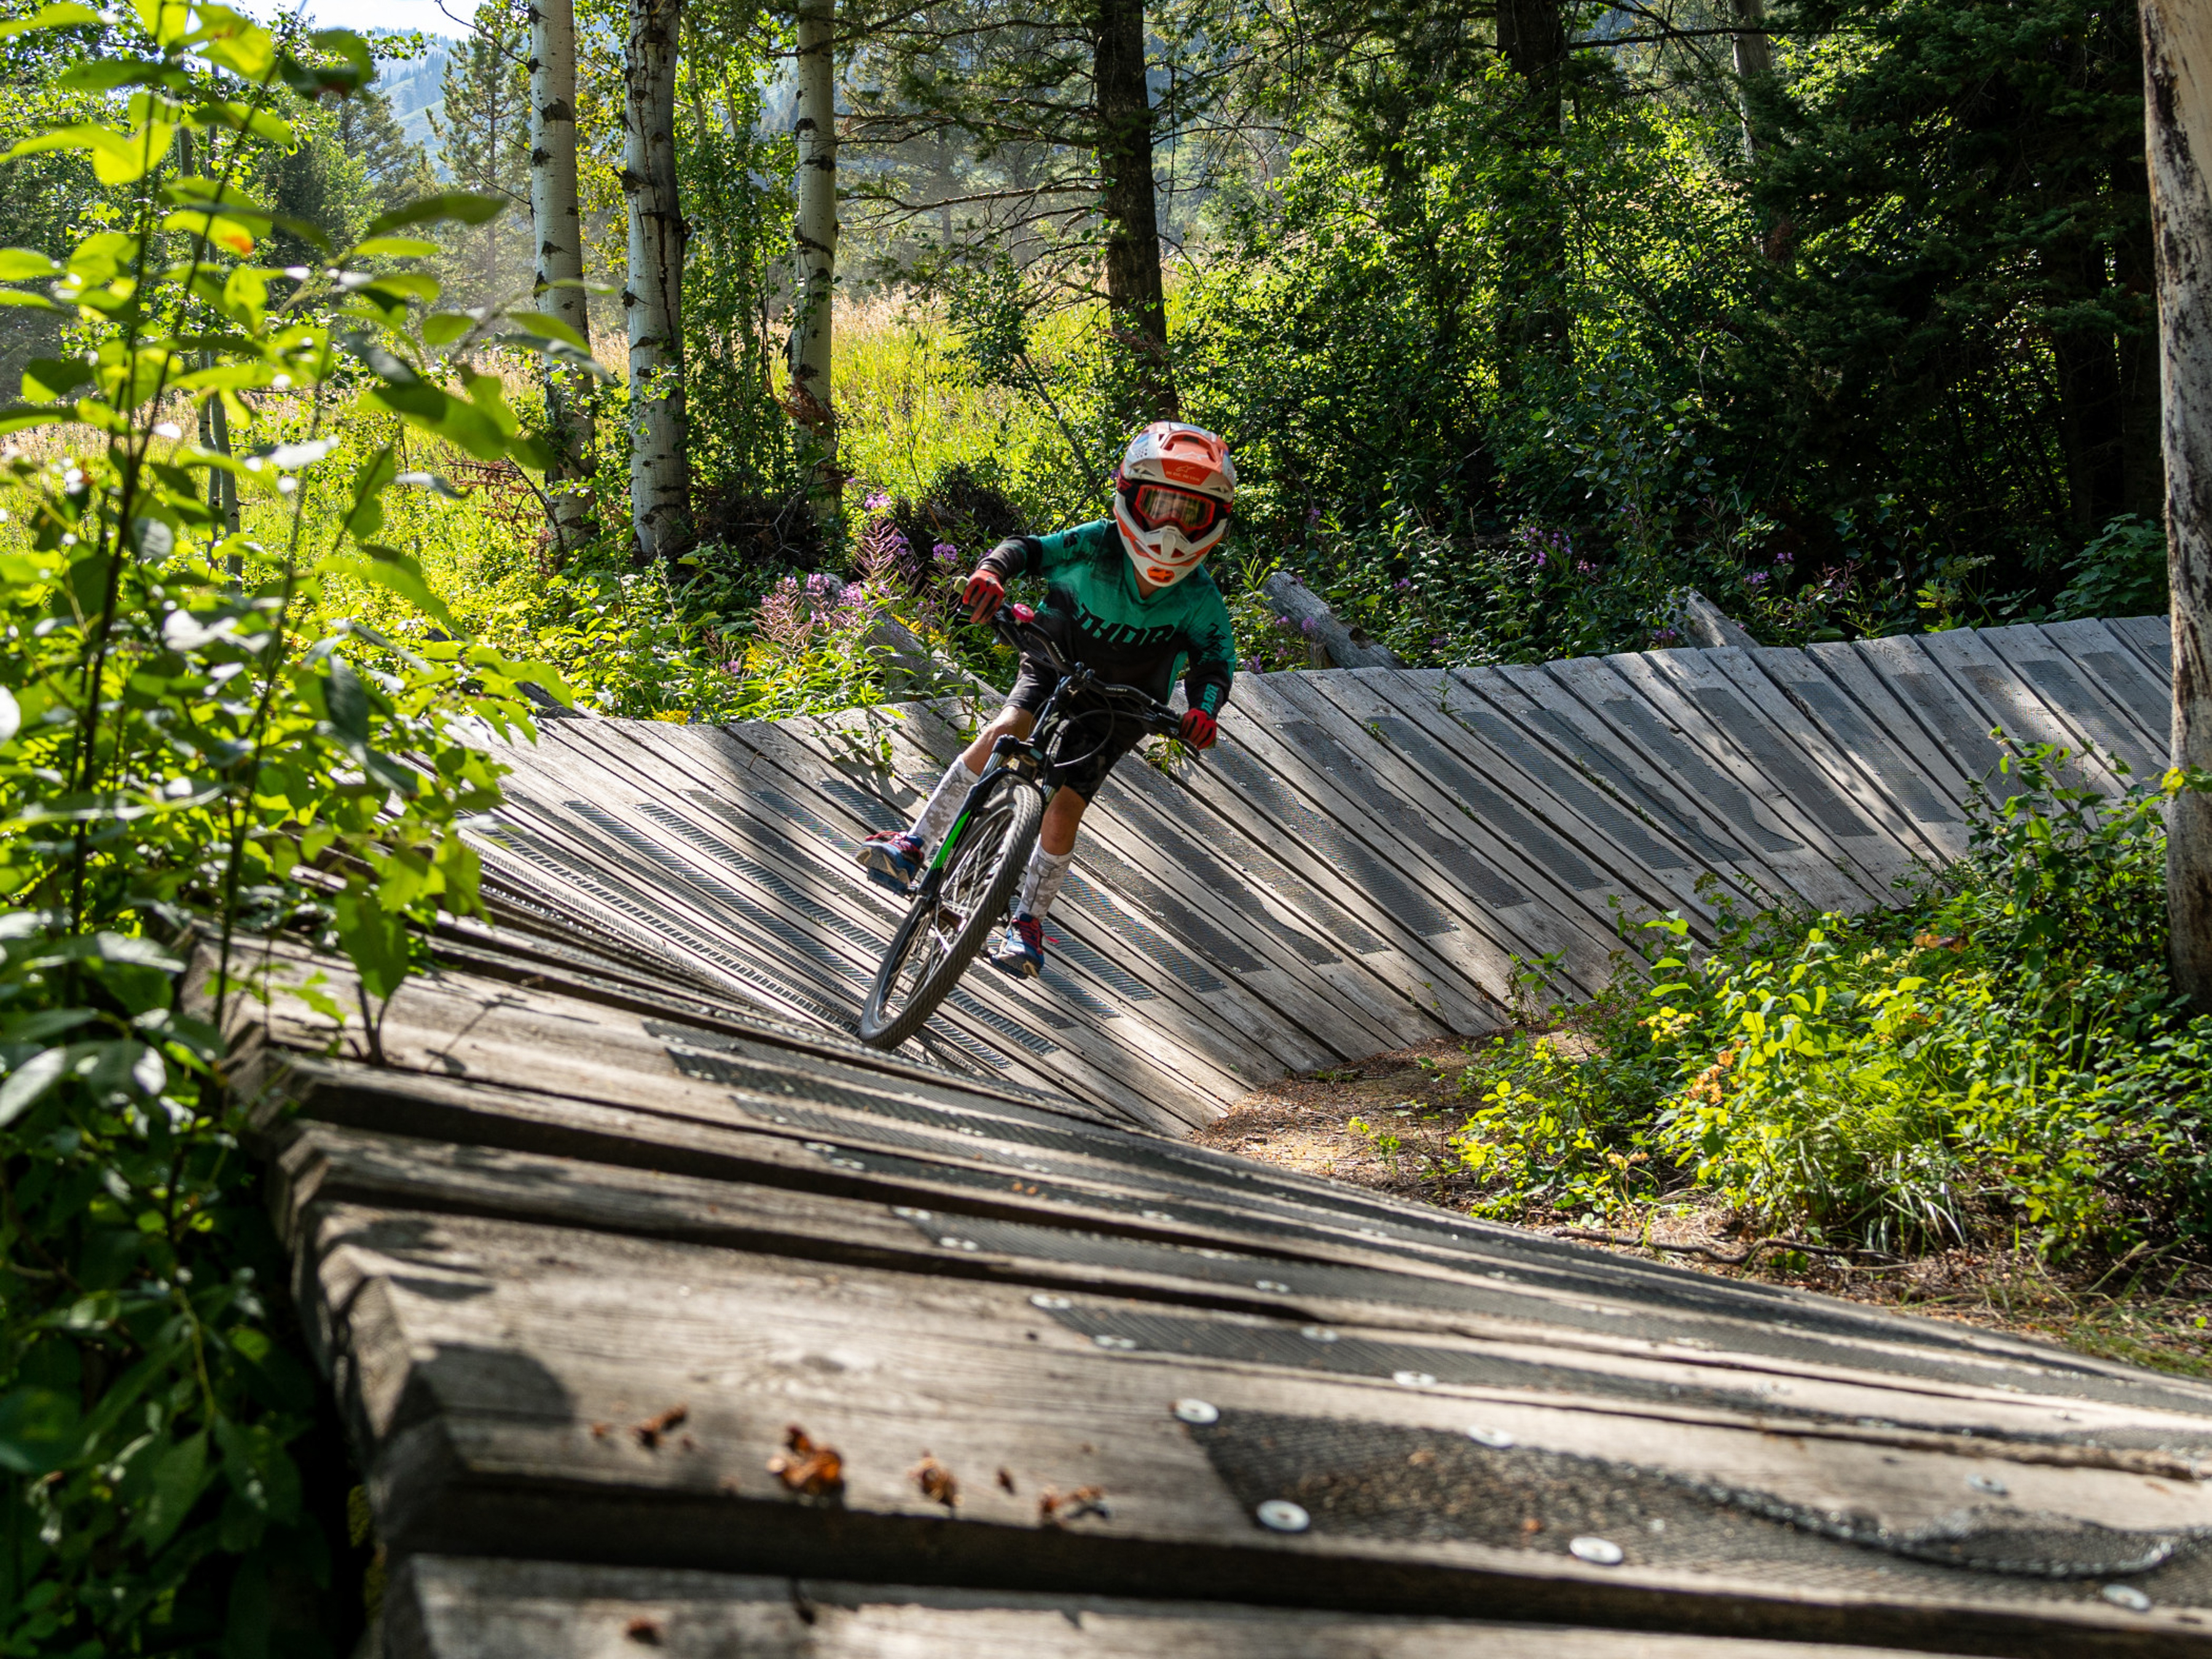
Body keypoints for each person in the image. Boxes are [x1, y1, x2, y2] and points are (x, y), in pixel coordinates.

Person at [855, 421, 1238, 978]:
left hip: (1123, 705)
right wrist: (990, 572)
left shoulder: (1201, 597)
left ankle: (1028, 921)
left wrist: (1205, 710)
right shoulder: (1098, 542)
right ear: (1129, 497)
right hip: (1054, 658)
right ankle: (915, 843)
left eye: (1191, 515)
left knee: (1064, 807)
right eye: (1159, 505)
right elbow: (1027, 551)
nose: (1172, 530)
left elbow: (1214, 664)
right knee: (1007, 727)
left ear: (1216, 524)